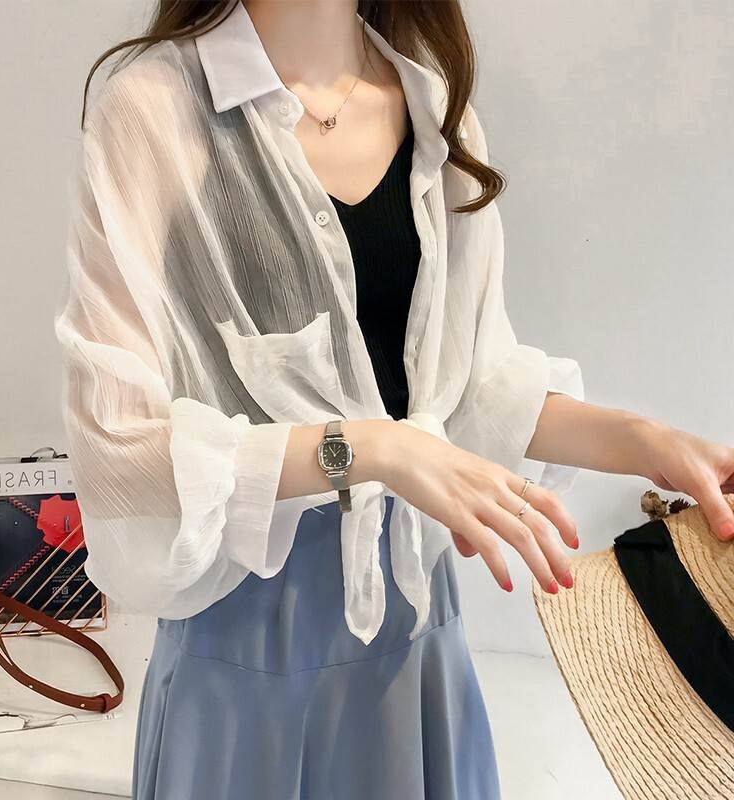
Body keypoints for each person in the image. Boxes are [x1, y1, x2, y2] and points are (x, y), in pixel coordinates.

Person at [54, 1, 734, 797]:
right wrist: (373, 449)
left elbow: (471, 391)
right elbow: (116, 456)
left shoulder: (436, 108)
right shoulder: (154, 109)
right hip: (249, 646)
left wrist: (646, 441)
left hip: (413, 632)